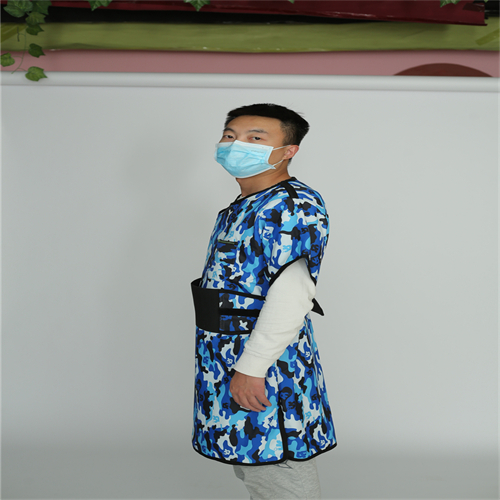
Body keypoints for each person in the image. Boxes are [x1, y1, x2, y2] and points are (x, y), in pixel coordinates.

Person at [191, 103, 336, 499]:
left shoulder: (291, 205)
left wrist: (252, 367)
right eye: (230, 136)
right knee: (252, 463)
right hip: (225, 357)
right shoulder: (243, 206)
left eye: (255, 138)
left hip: (265, 364)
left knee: (277, 464)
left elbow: (292, 295)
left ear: (288, 151)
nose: (236, 144)